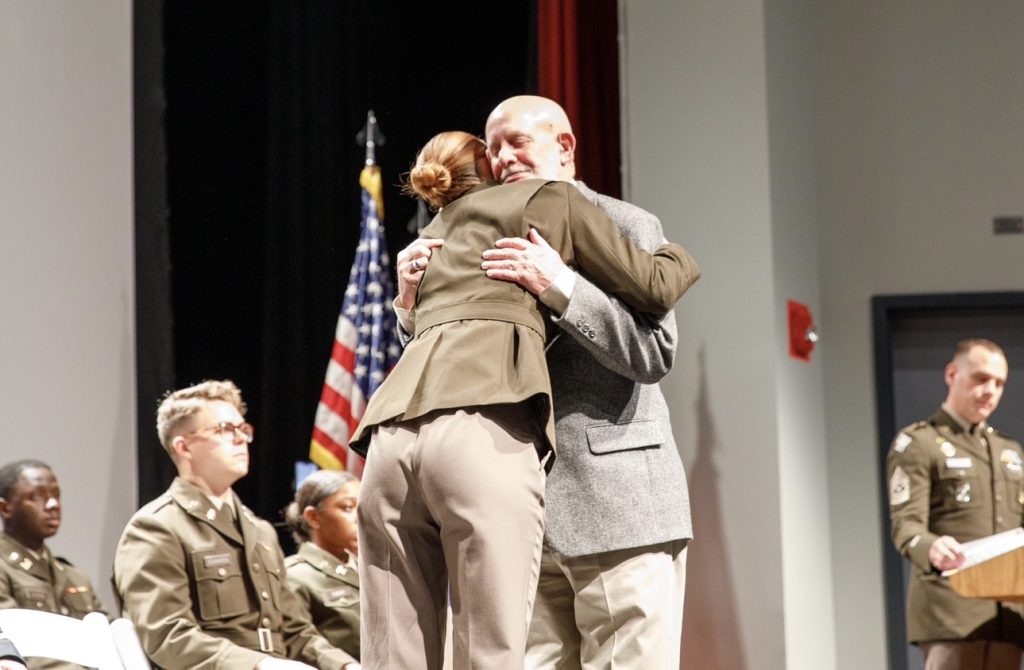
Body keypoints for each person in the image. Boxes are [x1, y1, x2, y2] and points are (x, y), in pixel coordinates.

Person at [353, 130, 699, 670]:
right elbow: (446, 348)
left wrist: (561, 285)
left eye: (518, 141)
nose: (504, 157)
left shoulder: (621, 219)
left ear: (565, 147)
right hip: (497, 475)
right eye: (492, 147)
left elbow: (652, 354)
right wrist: (406, 303)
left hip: (609, 503)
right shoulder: (454, 226)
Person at [113, 380, 359, 670]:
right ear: (184, 447)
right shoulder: (157, 527)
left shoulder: (259, 530)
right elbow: (168, 637)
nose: (240, 438)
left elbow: (295, 632)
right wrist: (261, 665)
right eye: (224, 429)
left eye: (243, 429)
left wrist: (345, 667)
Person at [887, 339, 1024, 669]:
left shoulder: (1009, 451)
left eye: (999, 383)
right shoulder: (920, 442)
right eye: (981, 378)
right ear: (952, 374)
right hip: (951, 614)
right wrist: (933, 548)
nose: (990, 390)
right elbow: (906, 525)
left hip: (1007, 619)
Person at [0, 460, 107, 670]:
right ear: (5, 508)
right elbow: (11, 641)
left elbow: (108, 639)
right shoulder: (3, 569)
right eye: (36, 496)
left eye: (56, 495)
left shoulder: (75, 576)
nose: (52, 504)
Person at [283, 471, 360, 660]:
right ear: (313, 517)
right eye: (348, 508)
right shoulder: (295, 576)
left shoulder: (373, 569)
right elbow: (299, 640)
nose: (360, 518)